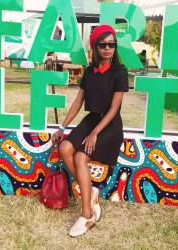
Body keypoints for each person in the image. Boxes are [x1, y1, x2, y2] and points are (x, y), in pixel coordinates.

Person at [52, 25, 129, 237]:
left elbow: (114, 108)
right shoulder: (89, 71)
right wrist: (62, 127)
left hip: (109, 125)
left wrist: (95, 133)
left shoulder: (119, 72)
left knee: (79, 157)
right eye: (102, 44)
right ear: (95, 47)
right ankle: (91, 193)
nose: (107, 48)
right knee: (65, 147)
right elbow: (78, 102)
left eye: (111, 44)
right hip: (91, 119)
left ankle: (87, 215)